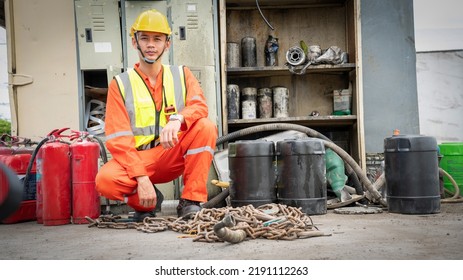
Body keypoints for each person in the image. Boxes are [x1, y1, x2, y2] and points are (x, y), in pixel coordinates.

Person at [95, 9, 218, 221]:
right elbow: (118, 140)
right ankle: (148, 203)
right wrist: (141, 178)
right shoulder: (120, 84)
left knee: (206, 126)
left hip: (172, 153)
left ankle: (191, 201)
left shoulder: (181, 74)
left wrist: (178, 119)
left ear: (167, 44)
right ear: (135, 43)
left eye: (157, 39)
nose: (151, 45)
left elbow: (199, 106)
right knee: (104, 181)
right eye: (145, 38)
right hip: (139, 159)